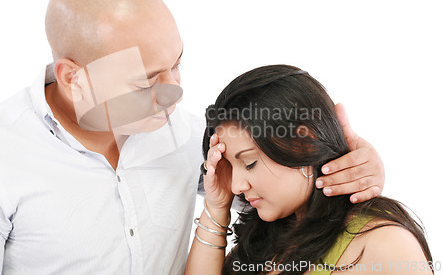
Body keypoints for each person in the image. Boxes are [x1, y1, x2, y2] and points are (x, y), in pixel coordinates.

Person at [0, 0, 384, 274]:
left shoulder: (187, 136)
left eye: (176, 64)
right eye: (146, 81)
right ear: (73, 77)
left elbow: (275, 193)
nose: (174, 92)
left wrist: (349, 162)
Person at [185, 65, 433, 275]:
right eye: (231, 165)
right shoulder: (265, 239)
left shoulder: (385, 245)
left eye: (249, 163)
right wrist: (216, 209)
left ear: (302, 142)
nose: (237, 185)